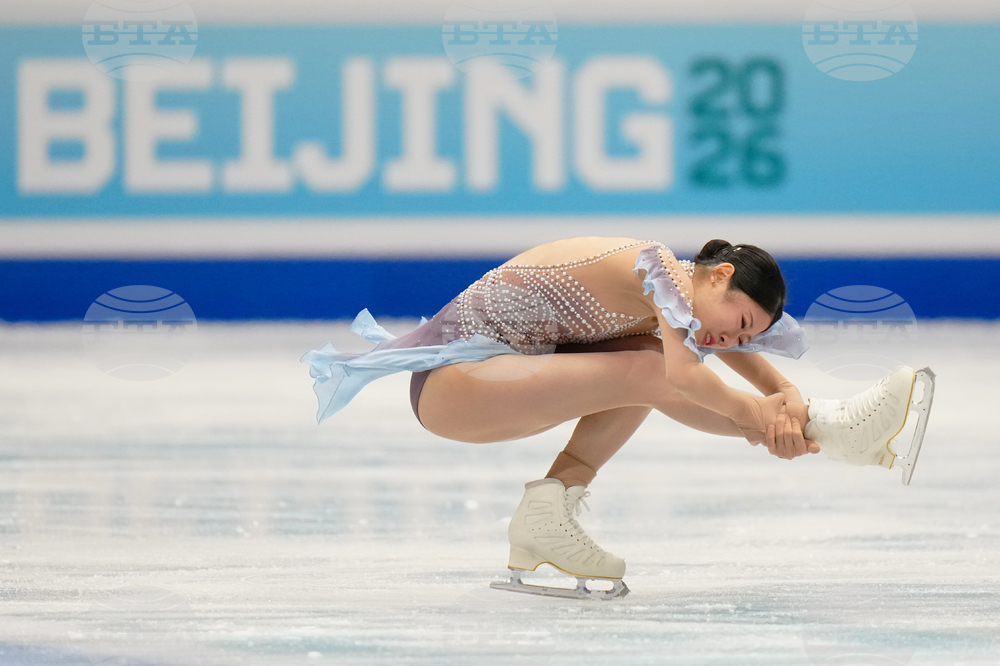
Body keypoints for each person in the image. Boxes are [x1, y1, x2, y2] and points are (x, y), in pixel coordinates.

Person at [301, 237, 931, 600]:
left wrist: (787, 395)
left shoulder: (685, 301)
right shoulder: (654, 267)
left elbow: (724, 351)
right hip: (452, 388)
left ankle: (545, 515)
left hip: (495, 381)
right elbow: (684, 375)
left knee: (645, 360)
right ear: (720, 275)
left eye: (744, 335)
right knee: (651, 368)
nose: (728, 340)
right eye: (736, 322)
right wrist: (775, 421)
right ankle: (840, 431)